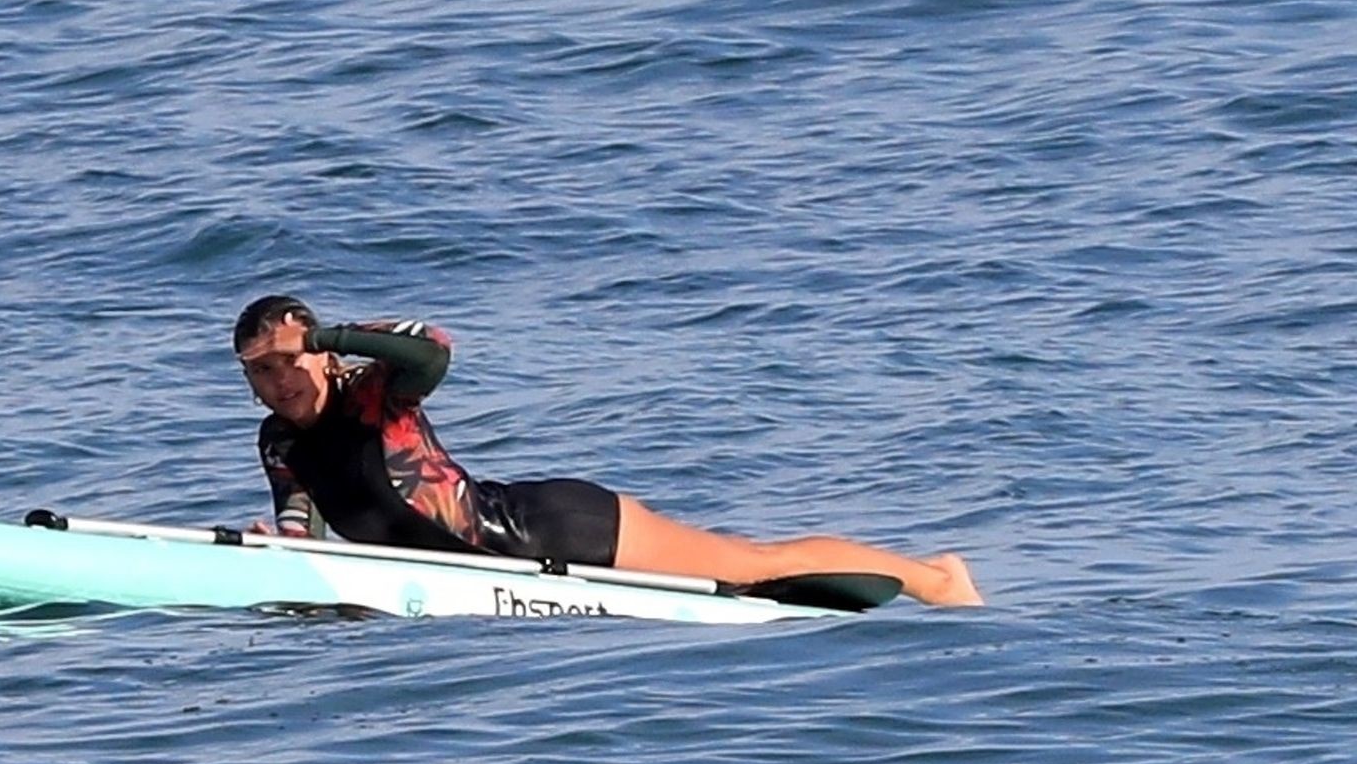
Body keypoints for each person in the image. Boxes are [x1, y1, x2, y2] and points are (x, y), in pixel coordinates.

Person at [233, 295, 983, 607]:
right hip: (485, 569)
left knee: (750, 566)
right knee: (746, 581)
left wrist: (323, 335)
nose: (278, 381)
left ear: (323, 356)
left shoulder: (376, 394)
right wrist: (279, 545)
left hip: (553, 529)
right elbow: (301, 516)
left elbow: (433, 348)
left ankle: (935, 577)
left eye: (288, 361)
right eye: (260, 372)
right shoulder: (280, 441)